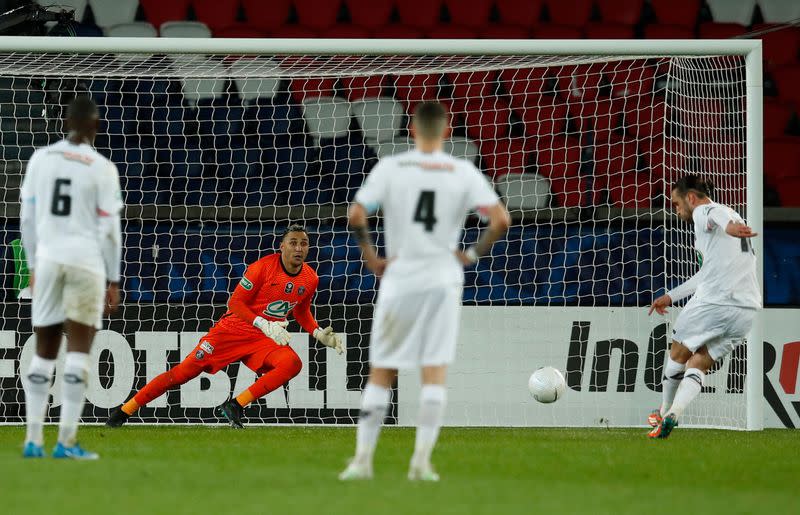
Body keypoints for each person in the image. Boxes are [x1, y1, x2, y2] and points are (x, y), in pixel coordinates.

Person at [340, 102, 511, 481]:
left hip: (400, 277)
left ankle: (362, 461)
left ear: (412, 131)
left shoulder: (391, 168)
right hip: (442, 280)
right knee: (433, 374)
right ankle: (420, 462)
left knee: (382, 373)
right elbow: (501, 219)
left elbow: (356, 214)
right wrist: (471, 254)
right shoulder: (462, 171)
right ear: (446, 132)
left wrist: (371, 256)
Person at [106, 225, 345, 428]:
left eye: (304, 243)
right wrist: (262, 322)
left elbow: (300, 310)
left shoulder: (310, 278)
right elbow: (235, 302)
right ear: (281, 247)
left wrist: (317, 332)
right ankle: (124, 411)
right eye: (293, 243)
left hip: (262, 339)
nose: (299, 248)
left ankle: (235, 405)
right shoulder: (262, 268)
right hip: (233, 330)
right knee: (182, 373)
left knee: (292, 364)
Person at [20, 96, 123, 459]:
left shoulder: (40, 159)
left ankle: (33, 440)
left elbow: (27, 220)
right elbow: (111, 230)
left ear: (66, 122)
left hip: (48, 260)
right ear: (95, 126)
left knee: (44, 350)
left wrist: (33, 266)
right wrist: (113, 278)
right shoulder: (102, 167)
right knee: (79, 351)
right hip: (85, 264)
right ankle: (66, 442)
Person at [647, 175, 760, 438]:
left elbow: (715, 215)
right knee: (700, 362)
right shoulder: (734, 217)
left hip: (715, 302)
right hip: (746, 310)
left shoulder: (704, 211)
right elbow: (707, 273)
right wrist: (672, 296)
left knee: (677, 354)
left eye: (676, 203)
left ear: (690, 197)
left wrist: (730, 226)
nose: (676, 210)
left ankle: (663, 411)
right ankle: (674, 415)